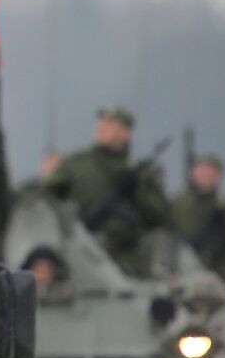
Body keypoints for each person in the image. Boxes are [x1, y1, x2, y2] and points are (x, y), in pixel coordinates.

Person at [44, 105, 169, 274]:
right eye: (101, 121)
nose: (102, 127)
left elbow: (161, 217)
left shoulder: (141, 174)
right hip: (79, 260)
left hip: (130, 264)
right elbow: (45, 199)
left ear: (125, 132)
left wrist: (137, 190)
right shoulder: (75, 165)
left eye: (111, 123)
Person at [170, 154, 225, 272]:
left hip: (214, 267)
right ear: (193, 172)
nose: (207, 176)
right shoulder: (177, 201)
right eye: (203, 171)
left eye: (212, 173)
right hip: (178, 262)